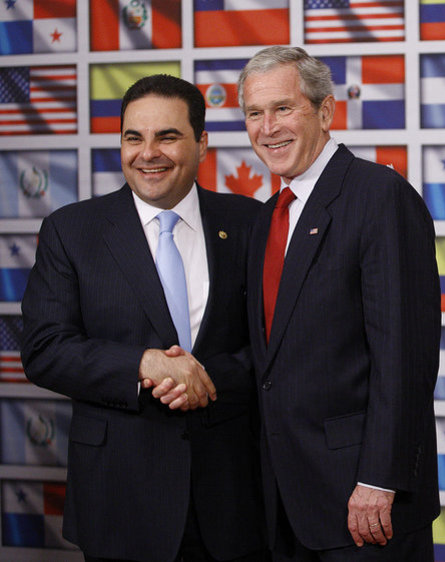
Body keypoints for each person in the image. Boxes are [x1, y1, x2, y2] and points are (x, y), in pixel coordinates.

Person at [21, 74, 267, 562]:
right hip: (121, 500)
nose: (147, 152)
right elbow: (45, 349)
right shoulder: (72, 230)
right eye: (134, 137)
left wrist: (204, 379)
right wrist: (144, 365)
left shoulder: (251, 223)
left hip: (235, 499)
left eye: (167, 136)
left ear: (202, 143)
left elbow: (277, 344)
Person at [238, 46, 441, 560]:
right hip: (284, 500)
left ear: (326, 111)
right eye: (254, 113)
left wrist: (380, 478)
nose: (267, 128)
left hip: (365, 504)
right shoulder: (267, 218)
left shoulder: (379, 196)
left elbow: (405, 355)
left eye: (284, 108)